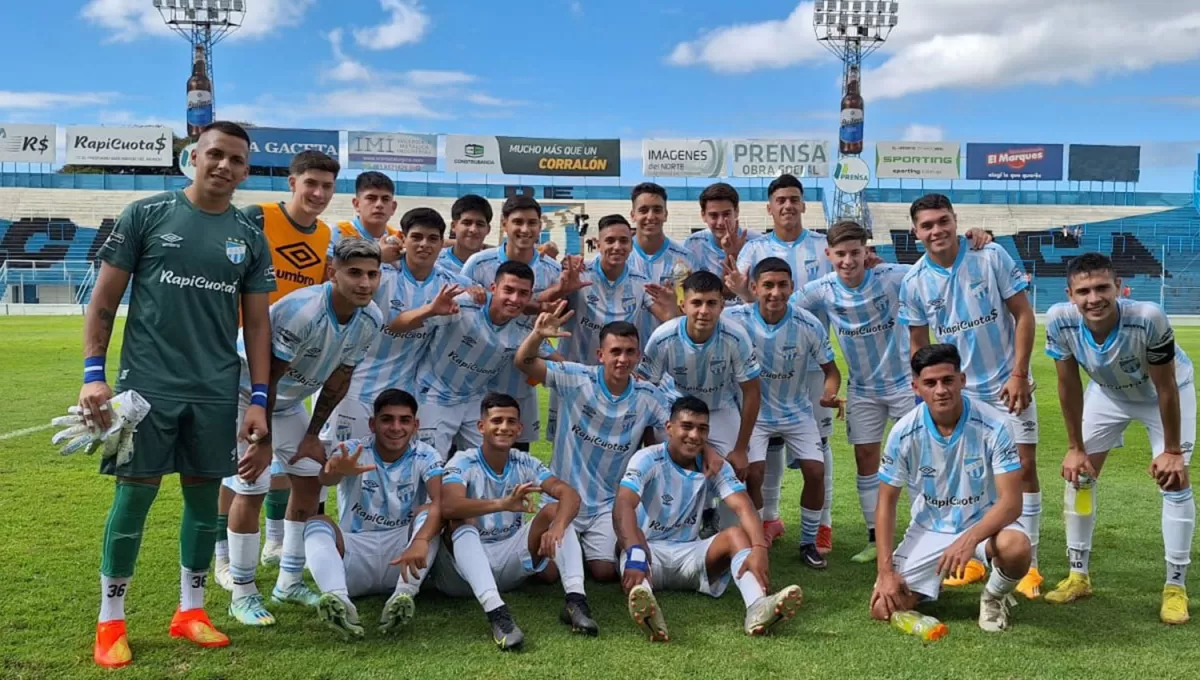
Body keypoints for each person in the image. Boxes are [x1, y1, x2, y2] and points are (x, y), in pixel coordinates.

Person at [81, 121, 275, 668]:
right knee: (134, 498)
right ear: (194, 156)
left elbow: (257, 326)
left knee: (200, 504)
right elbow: (102, 302)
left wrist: (258, 398)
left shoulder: (248, 234)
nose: (224, 167)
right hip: (147, 387)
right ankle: (110, 620)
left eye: (236, 160)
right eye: (215, 154)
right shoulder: (146, 214)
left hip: (215, 392)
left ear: (244, 169)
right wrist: (94, 373)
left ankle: (191, 611)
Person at [221, 238, 384, 626]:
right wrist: (264, 443)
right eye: (355, 273)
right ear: (333, 272)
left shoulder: (371, 318)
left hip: (290, 402)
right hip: (246, 395)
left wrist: (312, 434)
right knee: (253, 484)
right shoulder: (303, 310)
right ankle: (242, 592)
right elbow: (268, 375)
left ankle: (289, 581)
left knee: (311, 482)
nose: (365, 283)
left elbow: (338, 379)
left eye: (372, 274)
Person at [898, 193, 1043, 599]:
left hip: (1005, 384)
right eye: (926, 225)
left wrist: (1019, 373)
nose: (936, 230)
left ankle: (1029, 563)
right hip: (956, 390)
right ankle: (975, 555)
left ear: (955, 220)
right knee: (963, 474)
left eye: (942, 221)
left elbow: (1024, 314)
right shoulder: (914, 281)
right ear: (915, 233)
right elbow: (916, 341)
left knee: (1024, 468)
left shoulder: (990, 255)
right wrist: (929, 393)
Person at [1041, 253, 1196, 623]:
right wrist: (1075, 448)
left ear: (1119, 288)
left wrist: (1173, 451)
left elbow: (1165, 387)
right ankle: (1078, 575)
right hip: (1108, 393)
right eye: (1083, 291)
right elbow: (1067, 384)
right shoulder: (1059, 320)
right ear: (1070, 294)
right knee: (1078, 477)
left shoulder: (1148, 318)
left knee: (1174, 481)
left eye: (1101, 288)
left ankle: (1175, 587)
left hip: (1162, 393)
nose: (1093, 298)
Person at [216, 149, 341, 571]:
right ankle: (221, 558)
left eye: (326, 186)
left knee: (295, 467)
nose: (319, 193)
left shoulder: (326, 235)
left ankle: (280, 556)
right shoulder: (257, 217)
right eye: (311, 184)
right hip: (241, 360)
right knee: (241, 470)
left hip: (287, 366)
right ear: (292, 183)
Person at [614, 396, 804, 641]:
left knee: (736, 534)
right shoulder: (648, 458)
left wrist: (759, 548)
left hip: (692, 556)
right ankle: (649, 610)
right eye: (687, 426)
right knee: (629, 542)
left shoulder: (714, 465)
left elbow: (744, 507)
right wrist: (635, 553)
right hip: (650, 556)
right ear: (669, 428)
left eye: (702, 429)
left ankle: (758, 606)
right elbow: (623, 504)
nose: (694, 435)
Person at [870, 344, 1031, 633]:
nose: (941, 390)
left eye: (948, 380)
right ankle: (932, 581)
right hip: (930, 528)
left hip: (985, 528)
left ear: (962, 380)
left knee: (1017, 548)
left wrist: (969, 540)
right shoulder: (903, 433)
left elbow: (1011, 503)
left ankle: (994, 596)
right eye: (930, 383)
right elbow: (885, 503)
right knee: (883, 608)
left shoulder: (995, 426)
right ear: (916, 387)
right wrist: (885, 573)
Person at [515, 311, 670, 582]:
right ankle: (569, 543)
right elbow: (524, 362)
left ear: (638, 357)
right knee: (548, 575)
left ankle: (619, 556)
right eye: (616, 351)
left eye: (630, 352)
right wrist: (537, 336)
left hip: (606, 505)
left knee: (603, 572)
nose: (622, 359)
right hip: (561, 499)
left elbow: (678, 431)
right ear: (601, 354)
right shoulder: (576, 377)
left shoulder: (649, 396)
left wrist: (711, 454)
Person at [435, 393, 598, 650]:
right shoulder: (463, 461)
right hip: (460, 578)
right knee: (461, 520)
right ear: (481, 427)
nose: (504, 427)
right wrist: (502, 504)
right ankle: (497, 614)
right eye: (497, 420)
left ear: (520, 428)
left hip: (509, 563)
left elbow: (570, 495)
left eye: (511, 421)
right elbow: (449, 506)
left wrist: (556, 527)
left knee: (558, 512)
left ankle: (576, 601)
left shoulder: (525, 462)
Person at [795, 220, 915, 564]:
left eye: (855, 252)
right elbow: (781, 308)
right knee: (866, 461)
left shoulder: (891, 276)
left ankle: (924, 532)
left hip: (905, 384)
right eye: (841, 254)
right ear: (828, 254)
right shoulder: (823, 289)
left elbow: (936, 269)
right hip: (862, 389)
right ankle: (876, 538)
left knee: (919, 457)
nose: (848, 261)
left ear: (867, 251)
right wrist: (745, 294)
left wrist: (975, 242)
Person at [731, 174, 836, 551]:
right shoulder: (754, 249)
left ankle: (822, 526)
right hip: (763, 361)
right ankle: (769, 519)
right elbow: (743, 294)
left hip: (809, 361)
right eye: (781, 200)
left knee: (818, 450)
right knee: (766, 452)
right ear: (770, 207)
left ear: (804, 204)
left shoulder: (825, 247)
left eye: (795, 199)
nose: (788, 205)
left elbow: (845, 277)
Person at [725, 257, 841, 569]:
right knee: (755, 474)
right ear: (753, 288)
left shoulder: (807, 324)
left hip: (797, 411)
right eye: (768, 285)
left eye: (782, 285)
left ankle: (808, 542)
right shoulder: (734, 318)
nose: (775, 292)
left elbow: (831, 371)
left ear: (792, 287)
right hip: (755, 414)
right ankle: (758, 536)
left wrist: (829, 393)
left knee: (816, 473)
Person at [303, 389, 444, 638]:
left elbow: (441, 501)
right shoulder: (352, 450)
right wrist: (337, 471)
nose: (395, 427)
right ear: (372, 423)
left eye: (404, 420)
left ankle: (403, 596)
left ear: (416, 425)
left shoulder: (426, 454)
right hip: (354, 556)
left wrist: (421, 540)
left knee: (431, 513)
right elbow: (326, 477)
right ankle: (338, 599)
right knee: (317, 522)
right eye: (387, 419)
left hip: (404, 556)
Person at [326, 207, 471, 447]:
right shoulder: (378, 273)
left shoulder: (452, 283)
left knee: (393, 466)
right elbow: (391, 327)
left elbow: (491, 296)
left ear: (441, 244)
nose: (424, 244)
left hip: (402, 394)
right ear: (403, 239)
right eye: (417, 237)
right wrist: (378, 256)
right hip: (353, 386)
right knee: (340, 463)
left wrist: (478, 293)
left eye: (433, 239)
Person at [640, 270, 762, 536]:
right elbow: (645, 392)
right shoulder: (663, 337)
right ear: (683, 305)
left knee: (734, 467)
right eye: (697, 303)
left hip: (719, 408)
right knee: (670, 465)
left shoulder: (736, 336)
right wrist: (648, 439)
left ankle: (733, 539)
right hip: (675, 407)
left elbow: (752, 391)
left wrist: (741, 448)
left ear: (722, 305)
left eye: (711, 303)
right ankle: (676, 528)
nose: (704, 311)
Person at [461, 195, 586, 449]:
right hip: (473, 380)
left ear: (541, 226)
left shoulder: (553, 271)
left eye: (532, 223)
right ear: (504, 224)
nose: (525, 229)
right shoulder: (479, 263)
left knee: (515, 452)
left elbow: (555, 320)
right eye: (517, 222)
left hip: (518, 377)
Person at [392, 261, 549, 456]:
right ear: (493, 288)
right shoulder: (464, 305)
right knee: (429, 464)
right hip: (433, 393)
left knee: (488, 461)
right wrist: (431, 309)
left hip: (474, 398)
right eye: (508, 290)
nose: (514, 299)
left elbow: (553, 359)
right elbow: (397, 325)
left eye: (523, 293)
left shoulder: (526, 326)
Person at [682, 182, 760, 287]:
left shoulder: (757, 242)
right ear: (703, 215)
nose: (721, 222)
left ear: (736, 212)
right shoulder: (693, 244)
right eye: (714, 215)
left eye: (726, 214)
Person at [627, 182, 693, 293]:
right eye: (643, 210)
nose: (650, 217)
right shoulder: (618, 256)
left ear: (665, 215)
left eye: (657, 210)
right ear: (633, 215)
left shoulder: (686, 258)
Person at [328, 171, 400, 258]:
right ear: (356, 204)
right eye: (371, 198)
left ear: (393, 207)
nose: (379, 205)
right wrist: (378, 256)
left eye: (385, 199)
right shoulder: (337, 234)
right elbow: (330, 270)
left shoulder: (399, 238)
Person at [438, 194, 493, 275]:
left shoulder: (494, 267)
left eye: (480, 224)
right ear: (453, 226)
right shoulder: (434, 262)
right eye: (467, 223)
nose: (473, 230)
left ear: (488, 229)